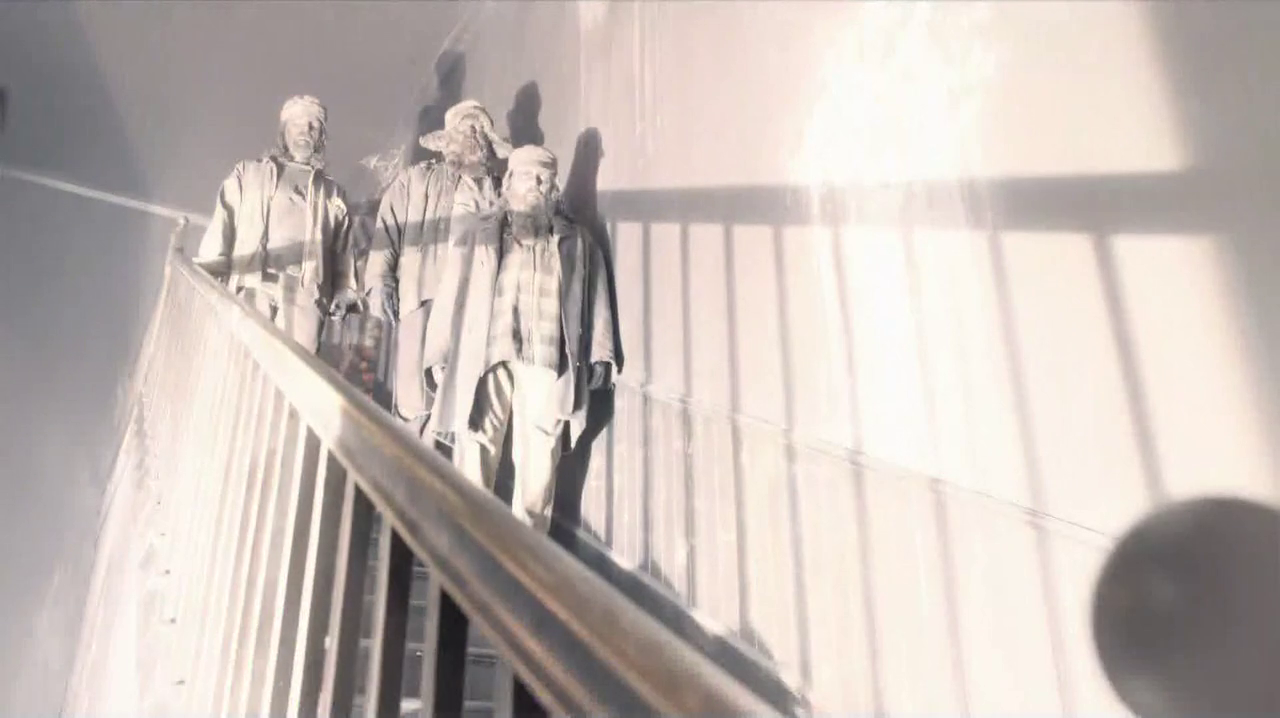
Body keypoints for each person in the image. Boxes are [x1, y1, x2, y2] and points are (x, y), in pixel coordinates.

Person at [423, 145, 619, 531]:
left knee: (541, 454)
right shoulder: (479, 234)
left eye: (545, 179)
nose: (536, 185)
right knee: (477, 439)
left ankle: (526, 549)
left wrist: (601, 351)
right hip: (487, 351)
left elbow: (596, 295)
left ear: (554, 188)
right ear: (509, 181)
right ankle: (469, 541)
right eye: (528, 176)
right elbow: (451, 292)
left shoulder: (577, 241)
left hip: (548, 354)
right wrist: (439, 351)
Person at [360, 99, 512, 434]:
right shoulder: (416, 180)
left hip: (474, 305)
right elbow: (387, 231)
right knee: (416, 396)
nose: (472, 135)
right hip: (423, 296)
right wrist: (380, 280)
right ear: (446, 139)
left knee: (462, 396)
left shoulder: (499, 191)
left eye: (479, 130)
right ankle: (407, 460)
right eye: (464, 128)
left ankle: (447, 463)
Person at [195, 95, 359, 354]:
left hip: (305, 295)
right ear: (284, 131)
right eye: (297, 124)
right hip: (252, 284)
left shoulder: (332, 193)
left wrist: (344, 292)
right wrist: (210, 267)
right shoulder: (249, 174)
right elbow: (223, 220)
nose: (305, 131)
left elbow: (343, 250)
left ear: (321, 137)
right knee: (244, 358)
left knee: (294, 367)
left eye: (313, 126)